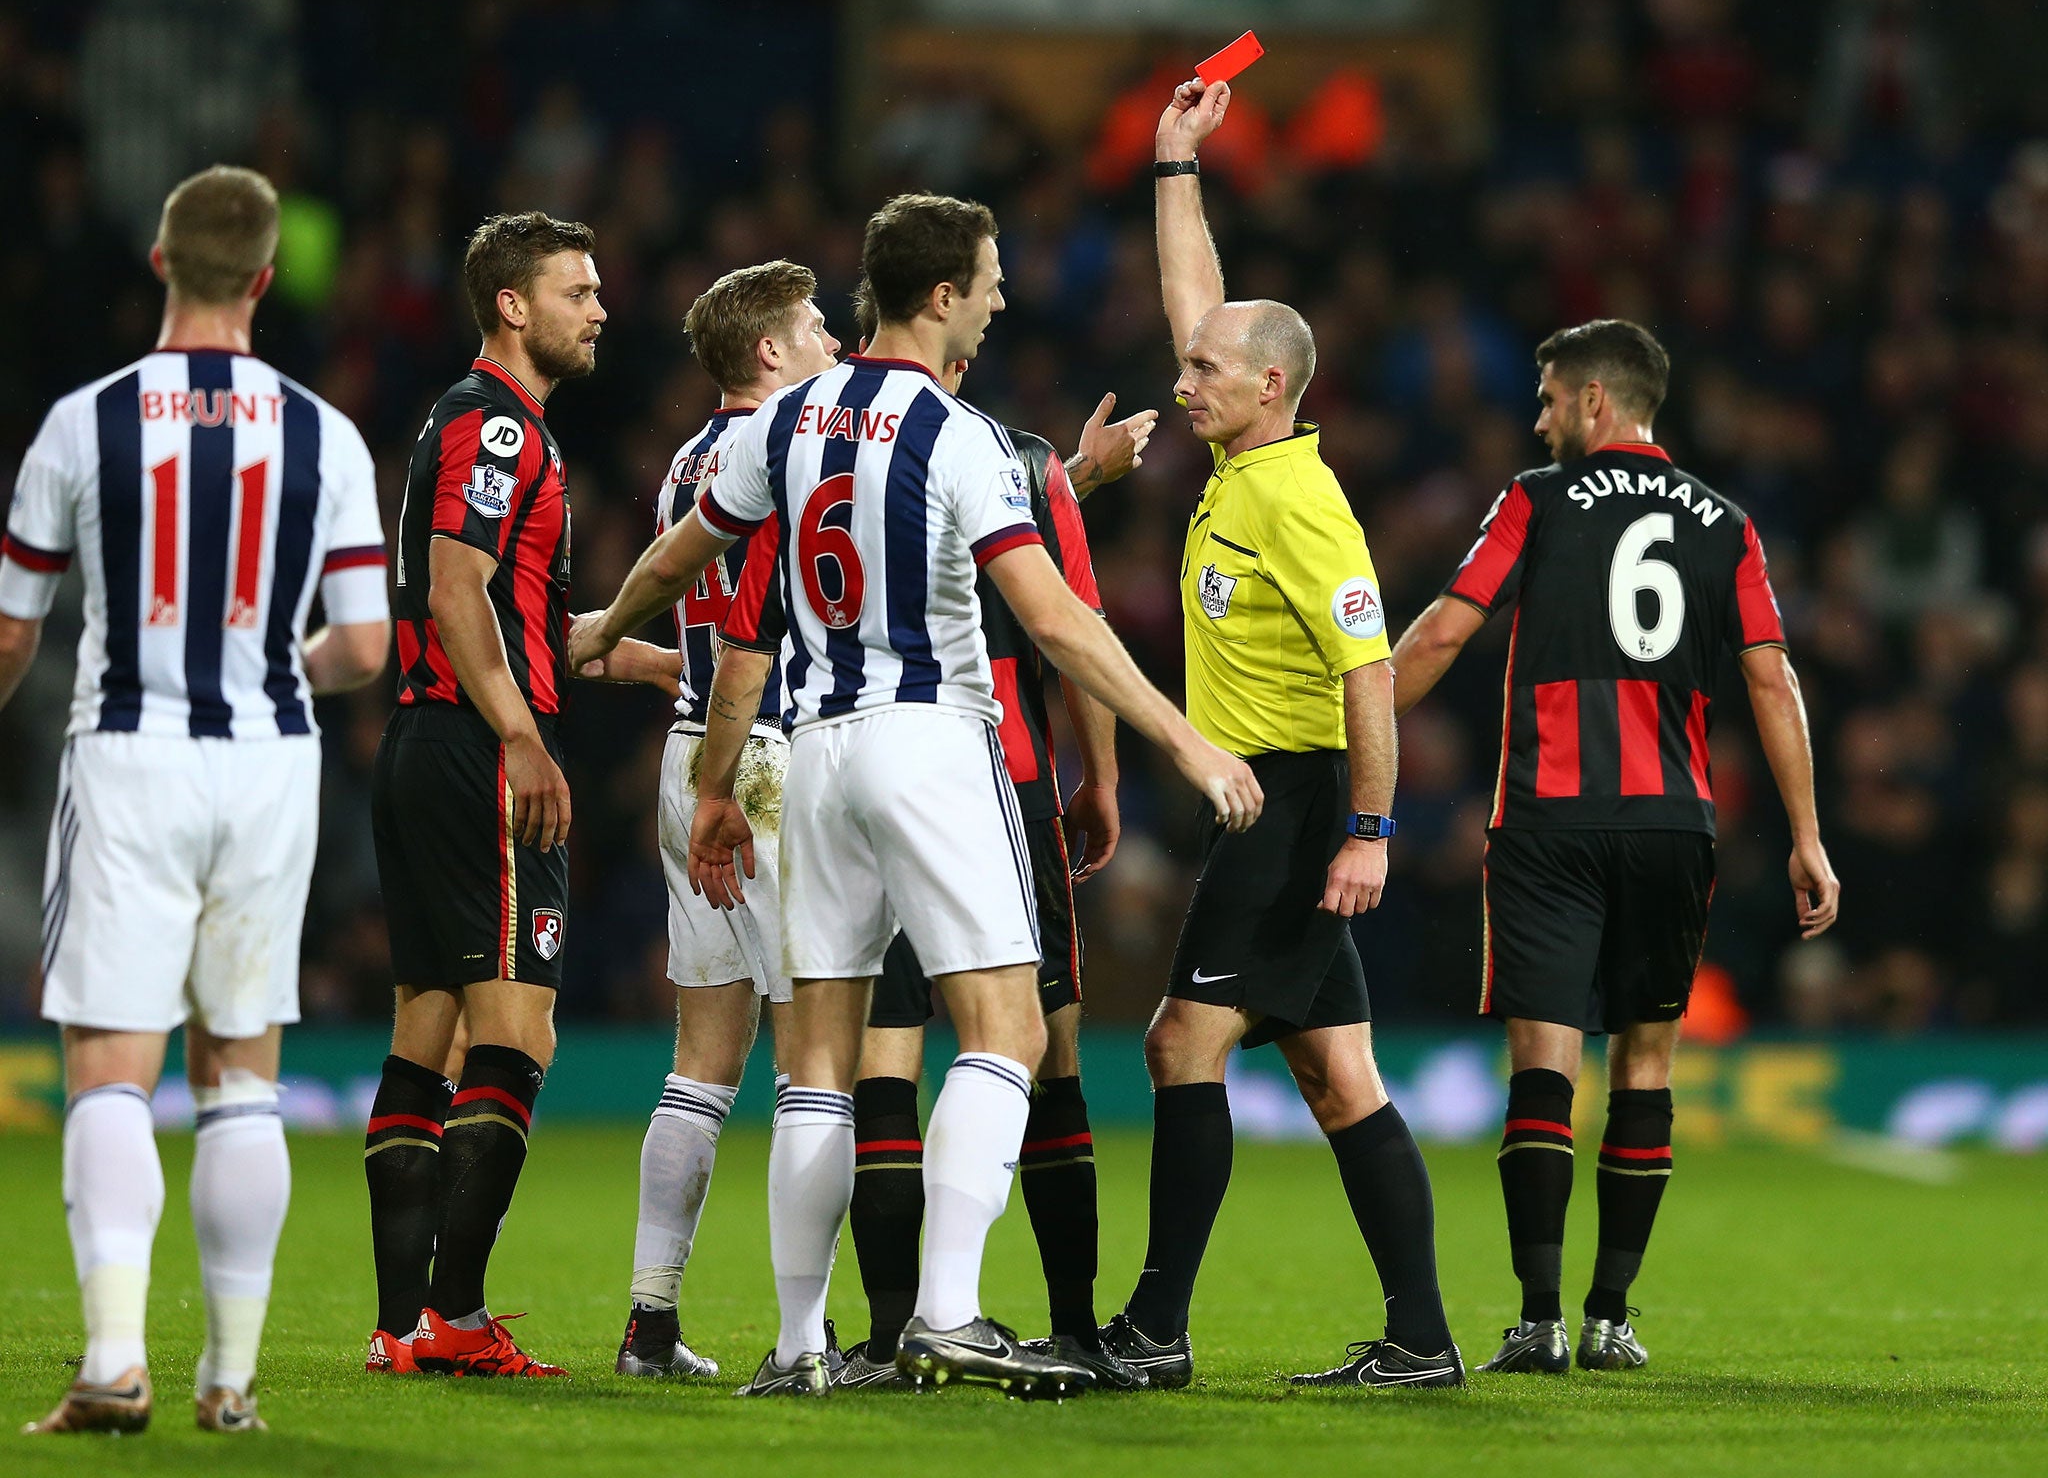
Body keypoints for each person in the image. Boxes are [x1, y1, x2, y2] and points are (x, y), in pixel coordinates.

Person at [572, 192, 1260, 1399]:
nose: (998, 302)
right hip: (932, 739)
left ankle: (798, 1348)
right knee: (1002, 1032)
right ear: (940, 295)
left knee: (818, 1066)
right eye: (989, 281)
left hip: (811, 755)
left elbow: (683, 552)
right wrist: (1184, 743)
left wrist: (602, 626)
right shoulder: (963, 437)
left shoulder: (778, 421)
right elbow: (1052, 618)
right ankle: (946, 1310)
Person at [688, 295, 1157, 1391]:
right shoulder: (1013, 455)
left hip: (832, 764)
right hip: (988, 773)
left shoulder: (800, 450)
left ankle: (880, 1331)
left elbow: (742, 624)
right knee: (1038, 1047)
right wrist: (1109, 774)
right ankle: (1063, 1324)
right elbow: (1069, 628)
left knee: (870, 1063)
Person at [1, 166, 391, 1434]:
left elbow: (12, 638)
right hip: (270, 765)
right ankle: (230, 1383)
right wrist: (286, 667)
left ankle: (117, 1364)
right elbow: (367, 648)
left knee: (113, 1072)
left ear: (161, 262)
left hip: (130, 756)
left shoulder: (84, 421)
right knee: (241, 1078)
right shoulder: (321, 433)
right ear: (268, 281)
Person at [1098, 76, 1463, 1392]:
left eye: (1204, 369)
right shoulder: (1242, 462)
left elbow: (1371, 674)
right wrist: (1174, 166)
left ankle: (1154, 1328)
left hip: (1298, 806)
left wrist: (1369, 830)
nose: (1180, 373)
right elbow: (1203, 306)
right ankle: (1421, 1338)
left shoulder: (1299, 505)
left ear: (1269, 387)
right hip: (1285, 801)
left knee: (1181, 1045)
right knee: (1339, 1076)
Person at [1389, 318, 1841, 1374]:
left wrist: (1343, 734)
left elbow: (1445, 629)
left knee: (1543, 1067)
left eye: (1547, 398)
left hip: (1548, 817)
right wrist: (1807, 835)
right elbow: (1770, 678)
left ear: (1595, 402)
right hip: (1670, 827)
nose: (1537, 418)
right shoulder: (1725, 522)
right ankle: (1609, 1318)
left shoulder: (1534, 500)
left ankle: (1538, 1320)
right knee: (1643, 1067)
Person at [361, 210, 663, 1379]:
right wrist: (524, 739)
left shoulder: (476, 421)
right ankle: (458, 1313)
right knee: (516, 1030)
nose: (598, 309)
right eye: (576, 290)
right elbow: (456, 589)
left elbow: (524, 619)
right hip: (477, 753)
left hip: (425, 744)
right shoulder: (497, 428)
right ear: (511, 305)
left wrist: (637, 655)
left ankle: (403, 1325)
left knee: (425, 1029)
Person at [610, 260, 840, 1380]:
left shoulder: (684, 463)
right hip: (757, 765)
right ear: (769, 353)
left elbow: (683, 605)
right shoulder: (784, 450)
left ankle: (650, 1320)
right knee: (814, 1058)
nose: (834, 341)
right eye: (814, 327)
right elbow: (753, 636)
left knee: (702, 1060)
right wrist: (727, 787)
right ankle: (805, 1342)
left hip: (687, 753)